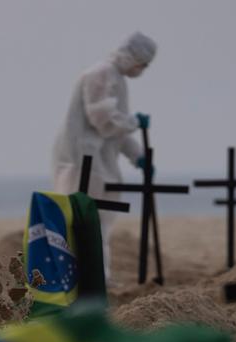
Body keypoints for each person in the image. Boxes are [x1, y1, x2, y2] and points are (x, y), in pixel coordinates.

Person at [51, 32, 157, 276]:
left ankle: (98, 277)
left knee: (100, 220)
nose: (142, 69)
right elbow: (102, 119)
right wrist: (133, 123)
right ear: (134, 57)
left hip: (99, 159)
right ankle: (77, 276)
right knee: (80, 219)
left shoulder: (118, 79)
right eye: (143, 63)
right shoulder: (100, 73)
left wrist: (137, 155)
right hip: (80, 159)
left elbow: (114, 133)